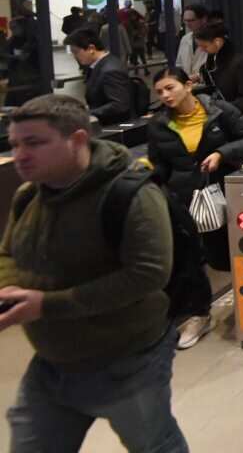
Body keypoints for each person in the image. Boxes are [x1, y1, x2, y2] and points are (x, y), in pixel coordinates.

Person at [0, 95, 188, 452]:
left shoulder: (131, 194)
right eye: (14, 144)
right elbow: (7, 251)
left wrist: (46, 305)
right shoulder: (28, 195)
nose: (20, 155)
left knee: (155, 444)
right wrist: (9, 289)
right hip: (52, 362)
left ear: (77, 140)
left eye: (34, 143)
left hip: (129, 360)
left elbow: (147, 275)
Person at [147, 67, 243, 348]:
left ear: (188, 85)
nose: (165, 95)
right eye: (159, 92)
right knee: (191, 258)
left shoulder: (220, 111)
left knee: (227, 252)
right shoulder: (159, 124)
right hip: (184, 199)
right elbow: (160, 164)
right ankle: (198, 315)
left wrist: (221, 153)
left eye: (170, 88)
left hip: (225, 192)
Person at [66, 27, 133, 125]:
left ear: (91, 49)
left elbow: (119, 105)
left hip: (112, 125)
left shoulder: (110, 70)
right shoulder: (100, 65)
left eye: (76, 52)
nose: (74, 57)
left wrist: (87, 113)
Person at [194, 23, 243, 114]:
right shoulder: (208, 66)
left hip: (238, 115)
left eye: (204, 46)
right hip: (219, 114)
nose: (201, 50)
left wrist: (220, 109)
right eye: (199, 46)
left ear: (218, 42)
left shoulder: (242, 63)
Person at [175, 4, 209, 78]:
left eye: (191, 20)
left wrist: (198, 77)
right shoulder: (185, 39)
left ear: (204, 19)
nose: (187, 24)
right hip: (187, 83)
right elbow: (179, 64)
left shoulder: (214, 40)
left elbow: (219, 68)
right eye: (185, 20)